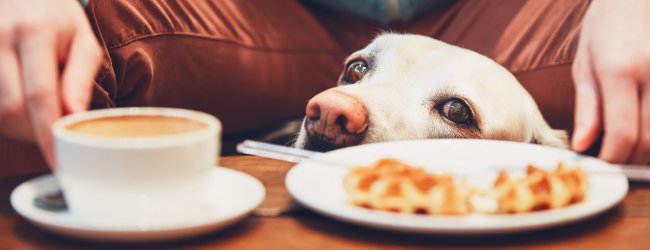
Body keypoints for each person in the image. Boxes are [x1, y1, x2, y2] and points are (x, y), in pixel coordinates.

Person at [0, 0, 647, 178]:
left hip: (506, 12)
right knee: (52, 50)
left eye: (455, 111)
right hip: (274, 13)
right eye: (357, 77)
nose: (339, 107)